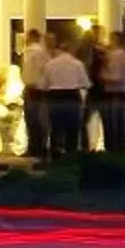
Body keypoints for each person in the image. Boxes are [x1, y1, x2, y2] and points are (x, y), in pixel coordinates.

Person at [38, 27, 92, 162]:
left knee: (56, 127)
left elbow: (42, 85)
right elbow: (86, 83)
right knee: (72, 128)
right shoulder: (77, 64)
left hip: (55, 97)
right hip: (72, 96)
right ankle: (71, 155)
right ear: (72, 50)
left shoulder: (50, 64)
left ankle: (55, 156)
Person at [98, 29, 125, 156]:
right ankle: (119, 148)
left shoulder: (117, 55)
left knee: (112, 122)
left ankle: (113, 149)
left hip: (114, 92)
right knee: (118, 122)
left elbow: (117, 77)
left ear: (116, 40)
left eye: (111, 39)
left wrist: (103, 76)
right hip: (121, 92)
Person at [21, 26, 52, 162]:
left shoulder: (38, 52)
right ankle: (34, 147)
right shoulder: (30, 52)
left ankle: (38, 147)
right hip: (32, 88)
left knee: (37, 120)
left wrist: (40, 84)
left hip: (36, 89)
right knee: (32, 119)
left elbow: (44, 71)